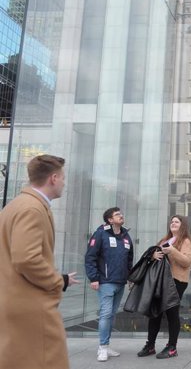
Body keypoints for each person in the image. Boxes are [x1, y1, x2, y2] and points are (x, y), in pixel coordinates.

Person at [0, 155, 80, 369]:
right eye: (62, 177)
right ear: (53, 178)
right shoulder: (32, 209)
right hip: (32, 307)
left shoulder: (18, 205)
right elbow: (26, 258)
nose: (64, 182)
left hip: (17, 304)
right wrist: (55, 281)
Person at [137, 215, 191, 359]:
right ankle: (150, 345)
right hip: (160, 281)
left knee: (171, 313)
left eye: (177, 222)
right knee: (154, 313)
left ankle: (172, 347)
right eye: (172, 221)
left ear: (183, 225)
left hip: (176, 281)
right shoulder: (164, 240)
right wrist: (153, 255)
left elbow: (187, 262)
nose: (173, 223)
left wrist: (172, 251)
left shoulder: (186, 241)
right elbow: (155, 258)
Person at [85, 206, 134, 361]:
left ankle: (106, 345)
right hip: (106, 282)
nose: (121, 216)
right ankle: (102, 348)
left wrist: (130, 277)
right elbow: (90, 257)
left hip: (120, 282)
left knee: (112, 315)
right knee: (106, 314)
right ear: (110, 220)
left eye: (121, 213)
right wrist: (93, 278)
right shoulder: (100, 234)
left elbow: (129, 260)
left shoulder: (126, 236)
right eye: (117, 214)